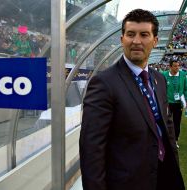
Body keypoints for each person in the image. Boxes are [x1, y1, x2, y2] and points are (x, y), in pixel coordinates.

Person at [79, 9, 185, 190]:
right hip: (129, 182)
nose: (136, 41)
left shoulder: (159, 79)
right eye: (130, 34)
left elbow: (166, 127)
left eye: (144, 34)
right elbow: (92, 150)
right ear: (122, 40)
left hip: (163, 174)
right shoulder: (104, 83)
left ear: (155, 41)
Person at [163, 60, 187, 147]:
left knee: (177, 122)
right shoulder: (164, 75)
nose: (177, 68)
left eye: (178, 66)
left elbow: (185, 88)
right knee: (165, 121)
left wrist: (185, 100)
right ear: (170, 67)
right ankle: (165, 139)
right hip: (167, 103)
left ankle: (175, 140)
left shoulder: (183, 75)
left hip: (178, 103)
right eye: (175, 66)